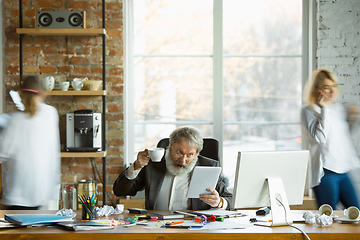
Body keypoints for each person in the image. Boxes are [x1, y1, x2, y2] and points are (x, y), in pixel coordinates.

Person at [113, 126, 232, 210]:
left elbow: (230, 199)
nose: (183, 160)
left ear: (196, 154)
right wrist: (136, 166)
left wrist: (220, 202)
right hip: (157, 227)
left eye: (190, 155)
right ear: (170, 146)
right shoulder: (153, 164)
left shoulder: (209, 167)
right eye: (179, 152)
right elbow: (120, 191)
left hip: (194, 229)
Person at [301, 68, 360, 210]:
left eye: (334, 86)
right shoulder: (308, 110)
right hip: (325, 173)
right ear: (316, 90)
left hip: (343, 170)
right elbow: (319, 139)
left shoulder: (337, 108)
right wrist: (323, 110)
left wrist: (354, 119)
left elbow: (342, 138)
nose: (332, 91)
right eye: (327, 87)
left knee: (356, 216)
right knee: (327, 219)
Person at [0, 75, 61, 210]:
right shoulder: (51, 114)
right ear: (42, 93)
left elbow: (2, 152)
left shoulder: (14, 120)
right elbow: (54, 152)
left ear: (21, 94)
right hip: (42, 192)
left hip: (17, 194)